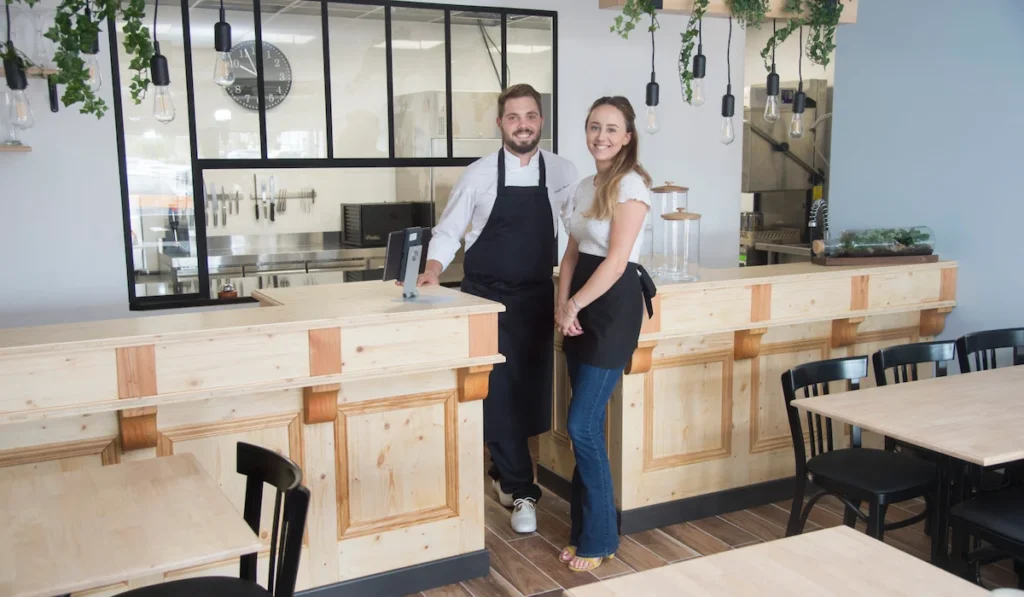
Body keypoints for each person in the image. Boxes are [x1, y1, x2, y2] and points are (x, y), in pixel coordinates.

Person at [417, 84, 580, 534]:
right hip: (485, 298)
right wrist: (431, 270)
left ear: (541, 121)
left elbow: (578, 232)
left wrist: (580, 288)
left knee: (530, 393)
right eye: (513, 117)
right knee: (499, 395)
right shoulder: (479, 174)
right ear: (500, 123)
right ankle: (523, 491)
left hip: (536, 297)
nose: (523, 124)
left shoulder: (564, 171)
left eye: (530, 116)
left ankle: (503, 475)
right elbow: (448, 232)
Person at [554, 96, 657, 572]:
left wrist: (576, 302)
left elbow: (617, 261)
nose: (601, 136)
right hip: (578, 305)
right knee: (586, 428)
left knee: (581, 425)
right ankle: (582, 531)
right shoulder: (582, 186)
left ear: (628, 136)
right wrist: (562, 304)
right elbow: (572, 254)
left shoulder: (631, 186)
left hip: (611, 307)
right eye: (595, 126)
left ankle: (600, 538)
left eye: (612, 129)